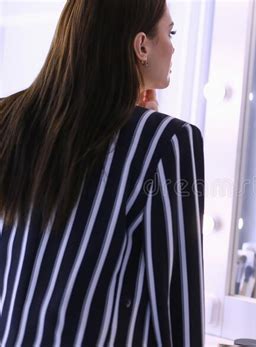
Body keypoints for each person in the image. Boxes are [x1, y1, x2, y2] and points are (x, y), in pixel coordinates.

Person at [0, 0, 205, 346]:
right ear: (141, 45)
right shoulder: (167, 142)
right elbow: (176, 306)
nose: (173, 48)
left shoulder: (11, 118)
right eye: (169, 33)